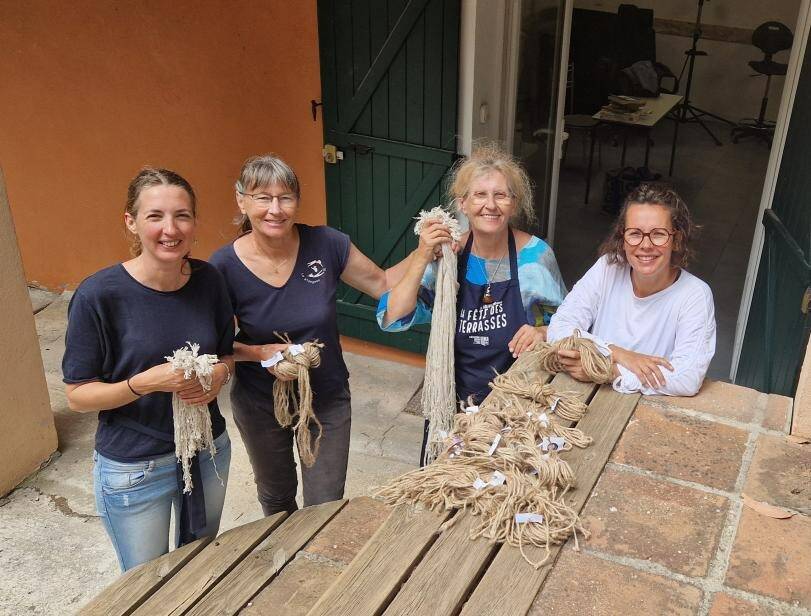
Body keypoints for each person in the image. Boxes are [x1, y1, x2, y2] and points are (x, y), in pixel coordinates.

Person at [210, 154, 403, 516]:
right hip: (261, 403)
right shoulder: (223, 266)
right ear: (241, 200)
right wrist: (261, 353)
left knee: (325, 504)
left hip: (326, 396)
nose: (275, 209)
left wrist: (425, 252)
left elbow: (384, 284)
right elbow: (215, 344)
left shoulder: (326, 244)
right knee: (276, 497)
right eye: (262, 197)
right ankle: (282, 564)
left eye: (285, 197)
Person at [63, 168, 235, 572]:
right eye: (155, 216)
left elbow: (226, 355)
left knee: (199, 569)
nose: (170, 229)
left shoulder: (209, 280)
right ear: (132, 222)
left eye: (182, 215)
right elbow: (77, 395)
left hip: (206, 450)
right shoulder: (99, 296)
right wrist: (142, 384)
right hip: (135, 468)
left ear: (194, 222)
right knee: (145, 585)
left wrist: (219, 376)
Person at [377, 145, 567, 462]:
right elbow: (392, 317)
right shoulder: (448, 257)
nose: (490, 205)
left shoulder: (535, 259)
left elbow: (572, 326)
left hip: (516, 409)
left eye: (501, 196)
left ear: (514, 203)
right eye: (479, 195)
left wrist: (543, 332)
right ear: (463, 204)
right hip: (453, 405)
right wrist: (423, 255)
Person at [547, 184, 716, 396]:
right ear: (623, 237)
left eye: (658, 234)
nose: (645, 245)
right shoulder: (608, 268)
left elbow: (686, 378)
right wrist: (617, 353)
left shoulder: (694, 295)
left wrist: (609, 370)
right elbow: (560, 326)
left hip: (644, 408)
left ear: (677, 239)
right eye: (635, 233)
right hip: (588, 395)